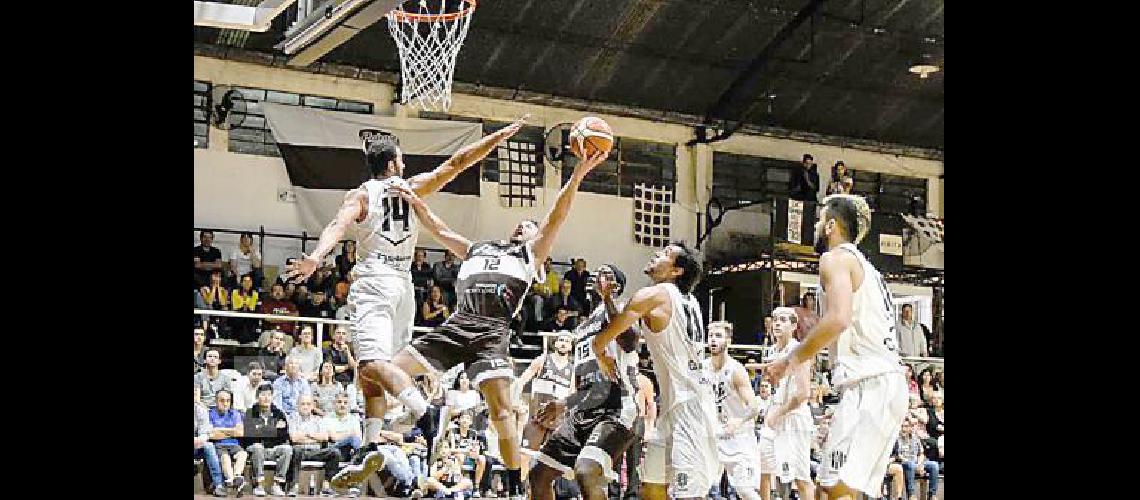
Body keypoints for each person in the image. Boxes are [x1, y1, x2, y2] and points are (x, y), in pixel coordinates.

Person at [331, 146, 608, 499]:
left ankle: (510, 484)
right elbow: (438, 228)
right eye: (521, 224)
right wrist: (414, 200)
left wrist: (578, 174)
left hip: (491, 333)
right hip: (455, 326)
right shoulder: (479, 249)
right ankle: (373, 447)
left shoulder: (529, 255)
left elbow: (558, 214)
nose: (525, 225)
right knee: (373, 372)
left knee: (502, 411)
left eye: (531, 226)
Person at [283, 118, 530, 496]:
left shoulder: (361, 196)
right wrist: (498, 136)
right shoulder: (412, 188)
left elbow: (337, 224)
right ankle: (369, 443)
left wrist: (316, 257)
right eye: (402, 160)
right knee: (373, 374)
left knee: (370, 363)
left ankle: (423, 412)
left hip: (376, 281)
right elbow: (459, 162)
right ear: (395, 164)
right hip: (404, 288)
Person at [760, 194, 908, 500]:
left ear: (830, 225)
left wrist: (790, 360)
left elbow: (838, 319)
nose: (814, 226)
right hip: (883, 382)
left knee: (834, 486)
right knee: (838, 489)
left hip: (872, 384)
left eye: (817, 221)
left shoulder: (836, 258)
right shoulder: (867, 268)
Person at [589, 243, 711, 500]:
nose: (657, 254)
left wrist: (600, 352)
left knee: (688, 494)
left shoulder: (654, 295)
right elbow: (630, 339)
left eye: (666, 254)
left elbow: (605, 339)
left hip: (689, 407)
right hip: (675, 403)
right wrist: (608, 299)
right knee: (651, 488)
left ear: (676, 271)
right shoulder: (688, 301)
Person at [703, 321, 765, 500]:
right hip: (714, 435)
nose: (713, 340)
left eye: (718, 336)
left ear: (728, 341)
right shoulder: (703, 368)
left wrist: (739, 420)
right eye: (711, 336)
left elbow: (754, 406)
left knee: (745, 491)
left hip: (739, 438)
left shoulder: (736, 370)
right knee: (702, 488)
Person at [760, 307, 816, 500]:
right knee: (767, 470)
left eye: (783, 320)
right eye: (775, 319)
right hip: (774, 415)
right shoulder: (771, 351)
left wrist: (779, 412)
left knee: (801, 478)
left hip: (794, 418)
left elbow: (803, 394)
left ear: (793, 326)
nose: (777, 323)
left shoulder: (799, 350)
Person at [244, 384, 293, 497]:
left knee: (286, 449)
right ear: (257, 397)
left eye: (269, 395)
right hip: (255, 448)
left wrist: (261, 429)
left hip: (273, 449)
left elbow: (284, 435)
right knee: (258, 447)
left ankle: (277, 484)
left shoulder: (279, 413)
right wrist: (274, 429)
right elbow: (249, 435)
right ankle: (259, 485)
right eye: (263, 395)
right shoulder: (250, 413)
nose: (266, 398)